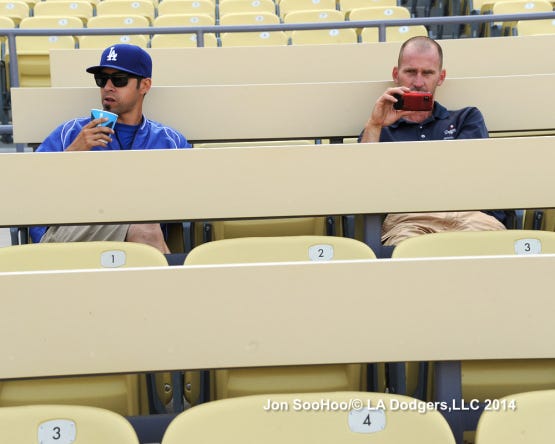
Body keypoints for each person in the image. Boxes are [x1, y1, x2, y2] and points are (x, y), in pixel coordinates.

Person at [29, 44, 191, 253]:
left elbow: (192, 194)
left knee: (144, 225)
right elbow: (31, 188)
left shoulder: (170, 140)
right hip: (70, 230)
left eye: (119, 80)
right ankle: (178, 283)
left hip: (136, 233)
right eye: (102, 79)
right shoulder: (71, 132)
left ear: (145, 85)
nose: (108, 86)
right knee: (145, 228)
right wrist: (73, 153)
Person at [359, 36, 507, 246]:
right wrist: (375, 124)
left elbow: (469, 174)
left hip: (468, 213)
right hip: (408, 219)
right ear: (396, 74)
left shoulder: (466, 118)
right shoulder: (379, 128)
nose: (418, 82)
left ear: (441, 76)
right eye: (410, 72)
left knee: (498, 248)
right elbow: (362, 181)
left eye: (427, 73)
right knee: (405, 254)